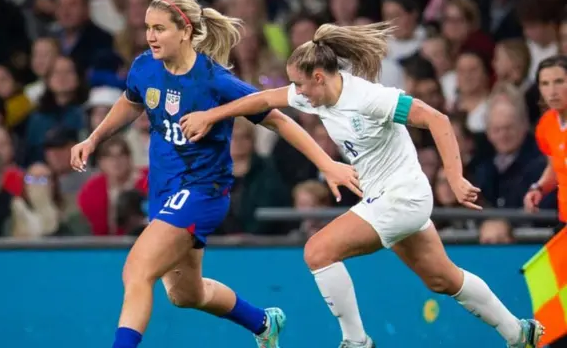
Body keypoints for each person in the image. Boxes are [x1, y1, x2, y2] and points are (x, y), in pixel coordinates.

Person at [179, 22, 545, 348]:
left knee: (318, 252)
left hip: (402, 196)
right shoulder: (316, 96)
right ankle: (518, 333)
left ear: (320, 77)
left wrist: (454, 176)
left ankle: (356, 341)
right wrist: (212, 115)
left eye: (300, 84)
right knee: (443, 279)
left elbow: (436, 119)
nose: (296, 92)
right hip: (389, 199)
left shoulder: (369, 99)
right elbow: (262, 99)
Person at [68, 0, 358, 348]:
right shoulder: (144, 66)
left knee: (137, 270)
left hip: (202, 191)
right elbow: (131, 103)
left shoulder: (214, 80)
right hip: (164, 191)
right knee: (184, 294)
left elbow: (278, 120)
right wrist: (93, 140)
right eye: (147, 28)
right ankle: (264, 322)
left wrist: (326, 163)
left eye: (159, 28)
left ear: (185, 31)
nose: (150, 36)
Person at [525, 55, 567, 233]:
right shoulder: (546, 125)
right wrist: (539, 188)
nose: (552, 91)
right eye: (545, 84)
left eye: (559, 81)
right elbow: (555, 166)